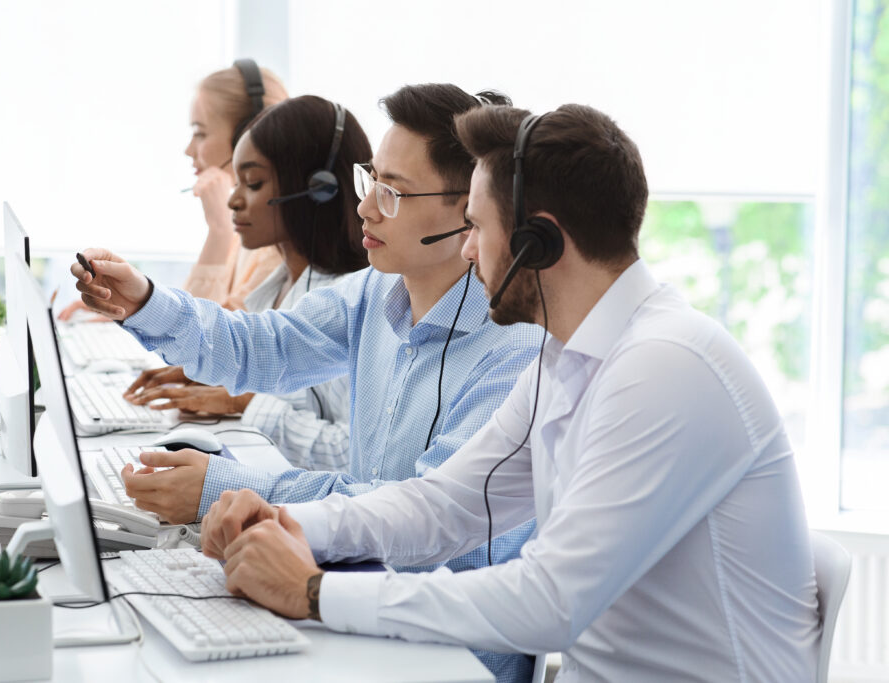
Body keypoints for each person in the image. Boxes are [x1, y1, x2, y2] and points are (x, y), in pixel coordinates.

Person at [195, 104, 822, 682]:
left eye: (474, 227)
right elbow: (446, 505)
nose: (466, 251)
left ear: (537, 243)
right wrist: (286, 522)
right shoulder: (567, 358)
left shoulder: (666, 368)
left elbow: (551, 601)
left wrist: (314, 591)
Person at [71, 84, 544, 683]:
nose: (366, 208)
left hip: (447, 657)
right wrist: (142, 301)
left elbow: (420, 526)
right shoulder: (375, 293)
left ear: (468, 209)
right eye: (369, 179)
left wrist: (229, 484)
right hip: (351, 603)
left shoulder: (516, 353)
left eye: (392, 192)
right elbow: (260, 346)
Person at [127, 94, 371, 475]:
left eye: (253, 183)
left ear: (316, 188)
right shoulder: (274, 288)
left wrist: (244, 402)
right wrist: (207, 372)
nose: (233, 201)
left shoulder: (353, 303)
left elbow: (349, 456)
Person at [58, 59, 286, 321]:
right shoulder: (246, 227)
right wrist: (124, 310)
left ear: (247, 135)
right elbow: (186, 313)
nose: (189, 150)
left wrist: (219, 231)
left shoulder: (276, 247)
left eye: (200, 134)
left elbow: (204, 341)